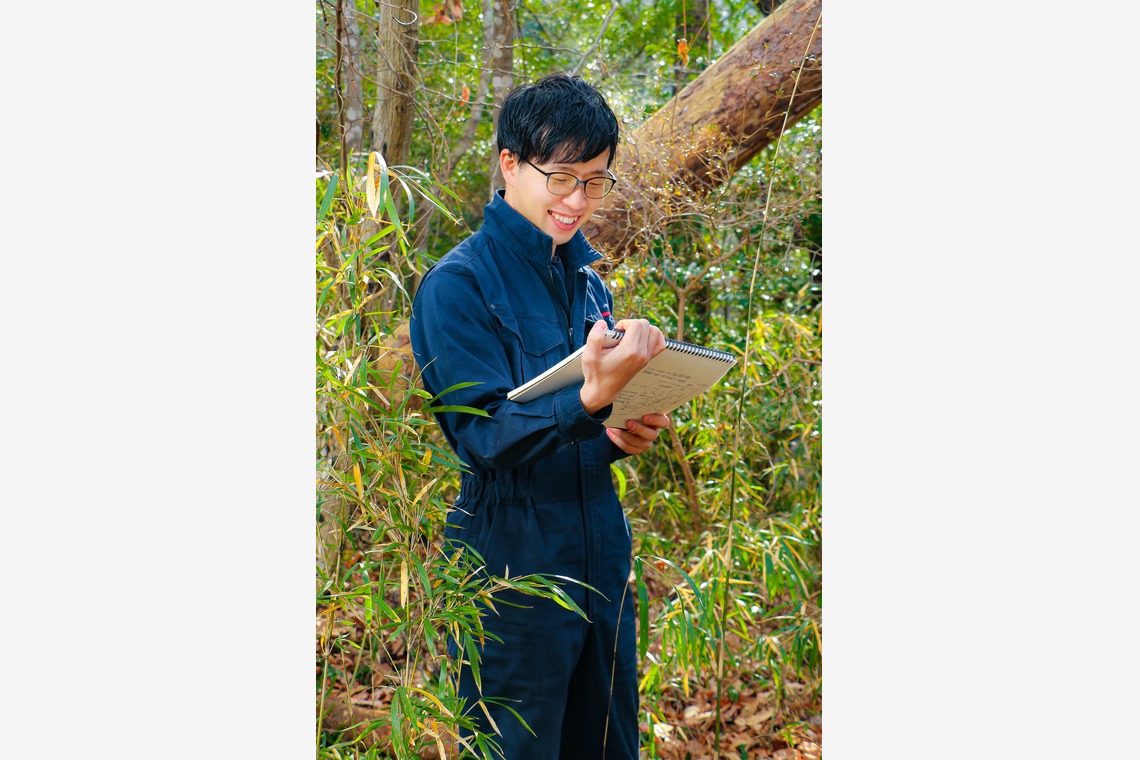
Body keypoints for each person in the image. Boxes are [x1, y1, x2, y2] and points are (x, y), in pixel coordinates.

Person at [409, 72, 670, 759]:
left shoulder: (588, 284)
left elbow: (577, 433)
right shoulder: (457, 286)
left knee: (608, 746)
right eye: (561, 178)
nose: (577, 200)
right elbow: (483, 436)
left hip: (599, 558)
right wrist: (586, 402)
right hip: (510, 573)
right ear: (509, 164)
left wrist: (619, 433)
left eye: (595, 181)